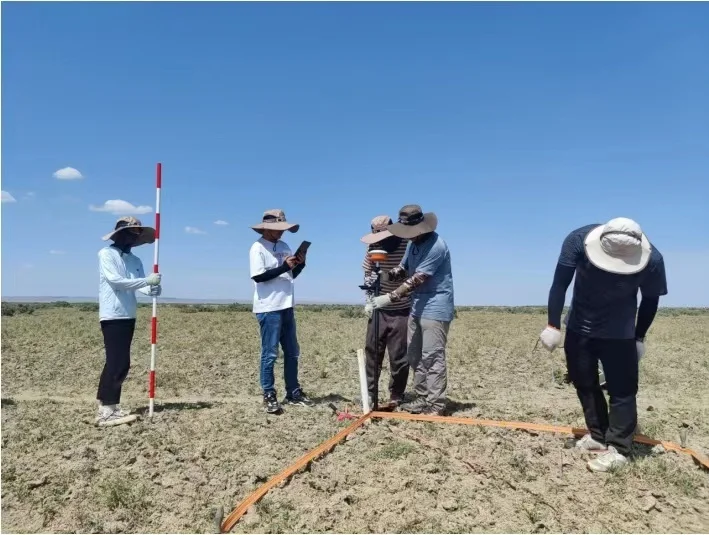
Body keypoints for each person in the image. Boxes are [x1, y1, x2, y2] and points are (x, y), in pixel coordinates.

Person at [539, 217, 667, 472]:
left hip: (620, 332)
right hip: (580, 326)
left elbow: (650, 301)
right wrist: (553, 325)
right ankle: (597, 434)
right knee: (583, 381)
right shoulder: (577, 241)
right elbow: (559, 284)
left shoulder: (653, 260)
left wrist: (639, 336)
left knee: (622, 390)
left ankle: (619, 449)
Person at [368, 205, 454, 416]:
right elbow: (404, 269)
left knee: (432, 356)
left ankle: (435, 405)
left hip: (435, 307)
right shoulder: (413, 244)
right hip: (417, 306)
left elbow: (417, 279)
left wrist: (388, 297)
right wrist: (384, 276)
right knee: (415, 356)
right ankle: (422, 398)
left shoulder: (436, 246)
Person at [96, 216, 162, 427]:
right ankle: (107, 411)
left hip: (128, 314)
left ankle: (109, 406)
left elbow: (139, 286)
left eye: (137, 234)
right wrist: (145, 281)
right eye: (131, 233)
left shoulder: (135, 261)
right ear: (120, 234)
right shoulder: (106, 254)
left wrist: (151, 288)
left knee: (118, 362)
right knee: (118, 362)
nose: (134, 237)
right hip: (112, 314)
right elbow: (116, 281)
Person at [249, 209, 313, 414]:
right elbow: (258, 277)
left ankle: (293, 391)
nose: (281, 232)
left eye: (282, 229)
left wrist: (300, 264)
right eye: (277, 229)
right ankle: (268, 393)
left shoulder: (284, 246)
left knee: (292, 352)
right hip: (268, 308)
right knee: (270, 354)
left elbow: (291, 274)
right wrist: (285, 267)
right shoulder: (257, 248)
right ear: (266, 228)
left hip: (287, 305)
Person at [360, 215, 411, 409]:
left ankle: (396, 395)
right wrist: (369, 299)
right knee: (373, 352)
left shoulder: (405, 244)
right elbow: (368, 272)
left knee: (399, 356)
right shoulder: (371, 246)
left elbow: (411, 273)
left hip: (402, 308)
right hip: (378, 308)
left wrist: (392, 290)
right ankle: (370, 395)